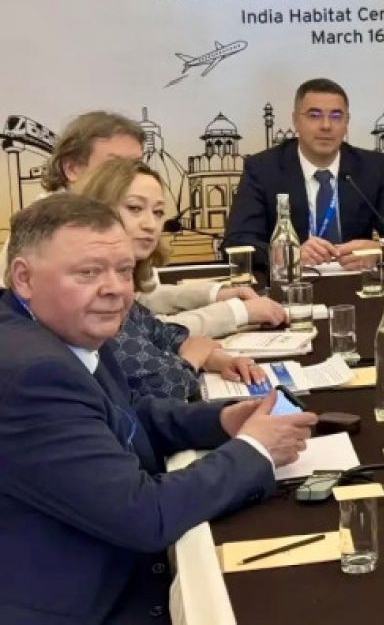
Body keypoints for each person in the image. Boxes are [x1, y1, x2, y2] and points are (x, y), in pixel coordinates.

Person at [0, 193, 316, 624]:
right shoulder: (32, 373)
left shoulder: (62, 329)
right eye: (88, 273)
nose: (115, 289)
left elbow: (125, 415)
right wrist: (255, 451)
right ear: (24, 278)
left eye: (124, 270)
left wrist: (221, 420)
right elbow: (145, 515)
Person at [3, 109, 268, 334]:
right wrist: (236, 313)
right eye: (116, 166)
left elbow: (139, 302)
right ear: (72, 168)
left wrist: (213, 294)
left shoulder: (114, 223)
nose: (131, 176)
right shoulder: (55, 230)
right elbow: (137, 337)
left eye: (137, 164)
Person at [77, 159, 266, 400]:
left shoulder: (122, 281)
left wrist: (212, 357)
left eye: (157, 213)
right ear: (97, 211)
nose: (150, 225)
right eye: (134, 208)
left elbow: (157, 331)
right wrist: (193, 358)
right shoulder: (91, 289)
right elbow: (164, 386)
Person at [223, 78, 384, 269]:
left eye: (336, 116)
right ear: (296, 120)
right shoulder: (262, 169)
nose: (326, 125)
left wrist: (382, 250)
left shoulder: (373, 167)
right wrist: (287, 254)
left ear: (347, 122)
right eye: (314, 115)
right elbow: (236, 243)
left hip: (355, 279)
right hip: (290, 281)